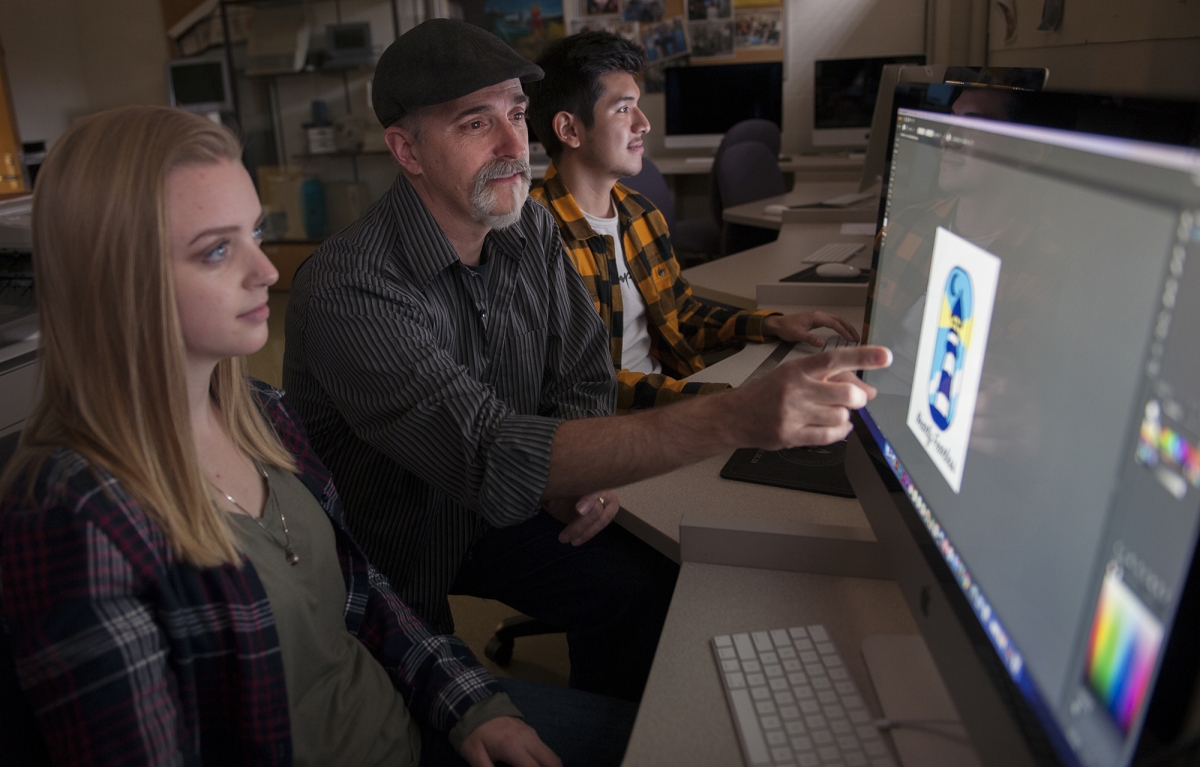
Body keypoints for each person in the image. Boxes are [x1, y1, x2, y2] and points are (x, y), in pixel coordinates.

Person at [0, 105, 635, 767]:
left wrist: (465, 697)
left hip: (409, 723)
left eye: (256, 233)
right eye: (217, 250)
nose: (267, 272)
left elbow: (363, 592)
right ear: (115, 281)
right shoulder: (75, 514)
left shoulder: (261, 413)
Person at [283, 18, 892, 703]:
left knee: (646, 583)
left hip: (495, 511)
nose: (517, 144)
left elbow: (581, 376)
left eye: (516, 113)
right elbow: (486, 452)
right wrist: (733, 416)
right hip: (403, 546)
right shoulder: (350, 286)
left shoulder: (530, 228)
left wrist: (581, 472)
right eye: (476, 123)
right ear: (407, 149)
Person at [525, 31, 861, 411]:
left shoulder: (640, 214)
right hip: (612, 427)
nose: (644, 124)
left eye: (638, 105)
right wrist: (724, 400)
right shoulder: (534, 241)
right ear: (569, 130)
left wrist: (768, 324)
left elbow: (681, 315)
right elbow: (580, 384)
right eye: (623, 109)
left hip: (673, 396)